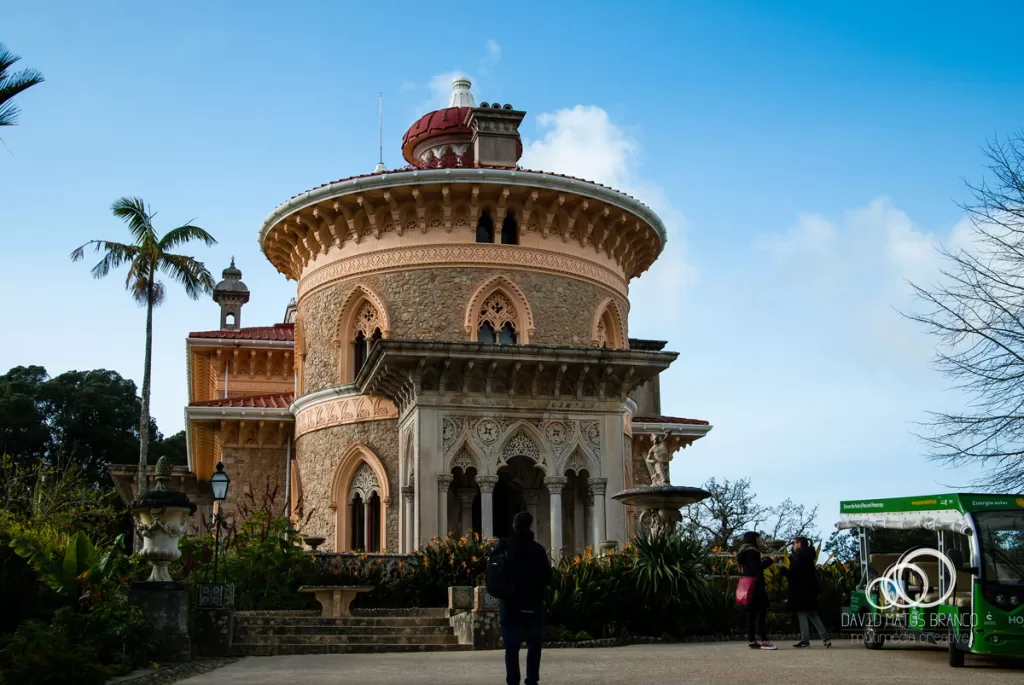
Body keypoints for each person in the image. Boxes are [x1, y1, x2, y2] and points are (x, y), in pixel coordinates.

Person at [494, 511, 552, 685]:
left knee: (511, 647)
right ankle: (532, 679)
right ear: (530, 526)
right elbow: (547, 577)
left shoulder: (504, 547)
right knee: (534, 645)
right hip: (533, 604)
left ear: (514, 526)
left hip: (510, 604)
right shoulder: (538, 550)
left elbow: (493, 572)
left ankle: (512, 681)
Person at [781, 536, 831, 648]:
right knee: (813, 614)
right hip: (810, 589)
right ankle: (825, 638)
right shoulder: (809, 555)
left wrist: (783, 570)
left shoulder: (799, 556)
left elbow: (794, 573)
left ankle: (805, 640)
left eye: (794, 543)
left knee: (802, 614)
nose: (792, 546)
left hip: (800, 591)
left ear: (799, 544)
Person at [736, 531, 777, 650]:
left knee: (751, 614)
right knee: (761, 613)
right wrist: (769, 560)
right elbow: (756, 568)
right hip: (756, 585)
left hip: (747, 585)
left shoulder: (742, 552)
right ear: (755, 539)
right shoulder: (752, 552)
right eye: (758, 538)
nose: (759, 540)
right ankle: (764, 640)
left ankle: (752, 639)